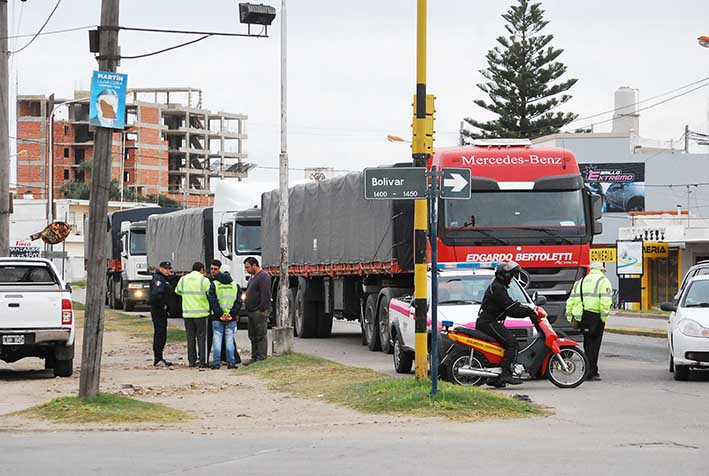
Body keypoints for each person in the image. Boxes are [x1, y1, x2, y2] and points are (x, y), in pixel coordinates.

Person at [477, 261, 536, 388]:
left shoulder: (499, 286)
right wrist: (528, 312)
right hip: (489, 323)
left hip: (490, 321)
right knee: (512, 344)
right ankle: (505, 374)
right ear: (505, 275)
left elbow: (511, 305)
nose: (513, 278)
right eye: (512, 275)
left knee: (505, 345)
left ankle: (497, 379)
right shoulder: (498, 288)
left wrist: (526, 309)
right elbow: (510, 308)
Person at [566, 262, 613, 381]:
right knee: (595, 345)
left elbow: (571, 300)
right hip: (596, 316)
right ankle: (591, 372)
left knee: (587, 344)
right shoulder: (603, 281)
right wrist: (604, 317)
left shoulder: (580, 282)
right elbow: (605, 301)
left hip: (582, 316)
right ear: (601, 270)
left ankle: (588, 370)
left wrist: (570, 317)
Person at [175, 262, 211, 368]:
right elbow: (210, 293)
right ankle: (202, 361)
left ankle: (191, 360)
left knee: (190, 338)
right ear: (201, 270)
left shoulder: (183, 279)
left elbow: (178, 291)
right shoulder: (204, 280)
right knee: (202, 338)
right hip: (201, 313)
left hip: (187, 313)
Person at [207, 264, 242, 369]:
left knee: (217, 341)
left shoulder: (215, 284)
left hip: (217, 318)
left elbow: (213, 302)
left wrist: (220, 314)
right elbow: (238, 302)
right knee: (229, 341)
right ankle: (231, 363)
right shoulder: (235, 285)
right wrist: (231, 314)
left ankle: (216, 363)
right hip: (230, 318)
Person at [243, 257, 271, 365]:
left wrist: (262, 309)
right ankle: (254, 357)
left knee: (260, 335)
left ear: (254, 265)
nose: (247, 270)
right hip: (251, 311)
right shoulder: (252, 278)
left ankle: (261, 358)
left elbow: (265, 295)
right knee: (253, 335)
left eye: (248, 267)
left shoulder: (263, 277)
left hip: (259, 311)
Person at [148, 261, 174, 367]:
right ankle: (157, 358)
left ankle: (160, 357)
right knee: (159, 334)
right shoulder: (158, 279)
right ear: (161, 269)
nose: (168, 271)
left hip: (162, 311)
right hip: (158, 310)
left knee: (162, 334)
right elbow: (156, 294)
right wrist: (162, 305)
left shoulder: (164, 279)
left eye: (169, 269)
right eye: (166, 269)